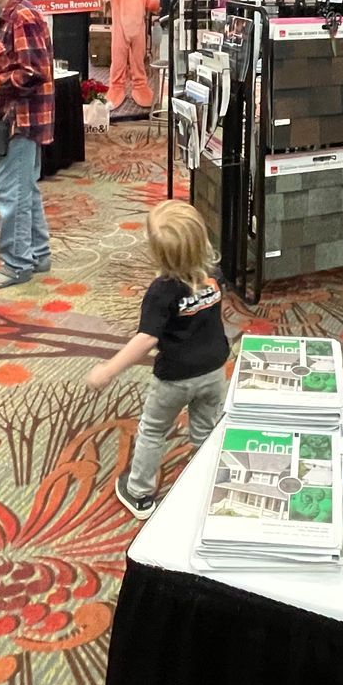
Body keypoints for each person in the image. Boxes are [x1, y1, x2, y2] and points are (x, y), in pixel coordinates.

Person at [86, 199, 229, 519]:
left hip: (175, 377)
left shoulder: (162, 291)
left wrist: (108, 370)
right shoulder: (214, 274)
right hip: (214, 369)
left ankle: (139, 492)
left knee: (152, 430)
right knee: (205, 428)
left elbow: (146, 339)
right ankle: (207, 480)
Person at [0, 0, 55, 289]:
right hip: (15, 119)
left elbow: (33, 73)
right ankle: (37, 254)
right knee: (25, 191)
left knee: (12, 195)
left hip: (20, 120)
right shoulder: (9, 16)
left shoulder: (21, 16)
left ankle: (16, 264)